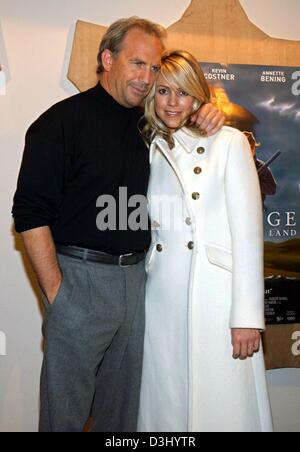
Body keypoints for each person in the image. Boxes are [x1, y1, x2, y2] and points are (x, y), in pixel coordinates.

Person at [12, 19, 224, 433]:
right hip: (79, 281)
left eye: (154, 68)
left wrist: (207, 111)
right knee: (64, 418)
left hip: (137, 283)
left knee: (123, 419)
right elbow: (29, 213)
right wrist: (58, 294)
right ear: (107, 59)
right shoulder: (59, 123)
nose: (147, 79)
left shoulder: (150, 125)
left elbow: (186, 121)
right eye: (137, 64)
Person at [137, 50, 273, 432]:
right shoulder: (151, 146)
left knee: (222, 405)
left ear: (198, 94)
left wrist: (247, 317)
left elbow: (248, 234)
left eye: (182, 92)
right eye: (163, 91)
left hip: (216, 299)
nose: (172, 102)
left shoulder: (228, 142)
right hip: (162, 297)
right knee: (168, 402)